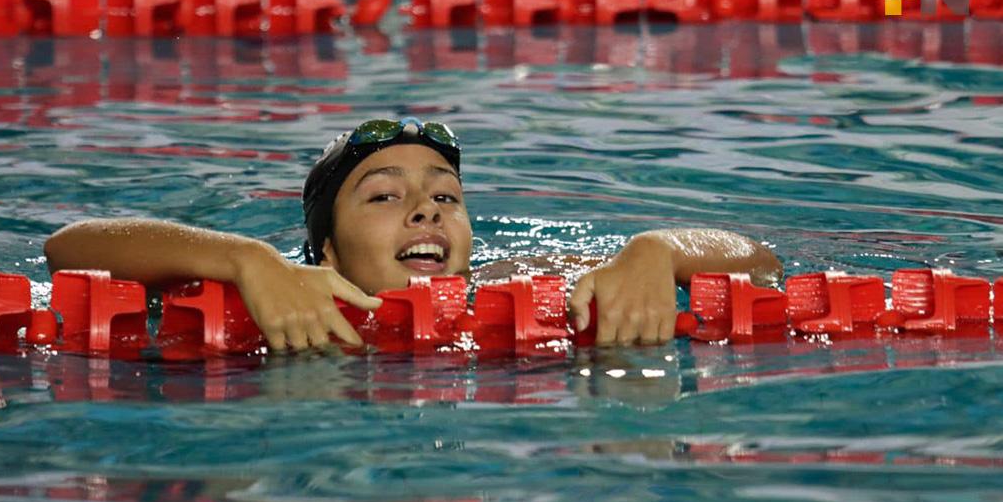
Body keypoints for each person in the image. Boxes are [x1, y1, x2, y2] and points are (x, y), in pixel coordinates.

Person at [44, 117, 782, 352]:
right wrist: (245, 259)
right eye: (385, 195)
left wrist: (654, 252)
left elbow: (762, 261)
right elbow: (70, 247)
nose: (426, 210)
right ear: (326, 250)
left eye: (444, 196)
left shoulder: (522, 283)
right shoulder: (268, 296)